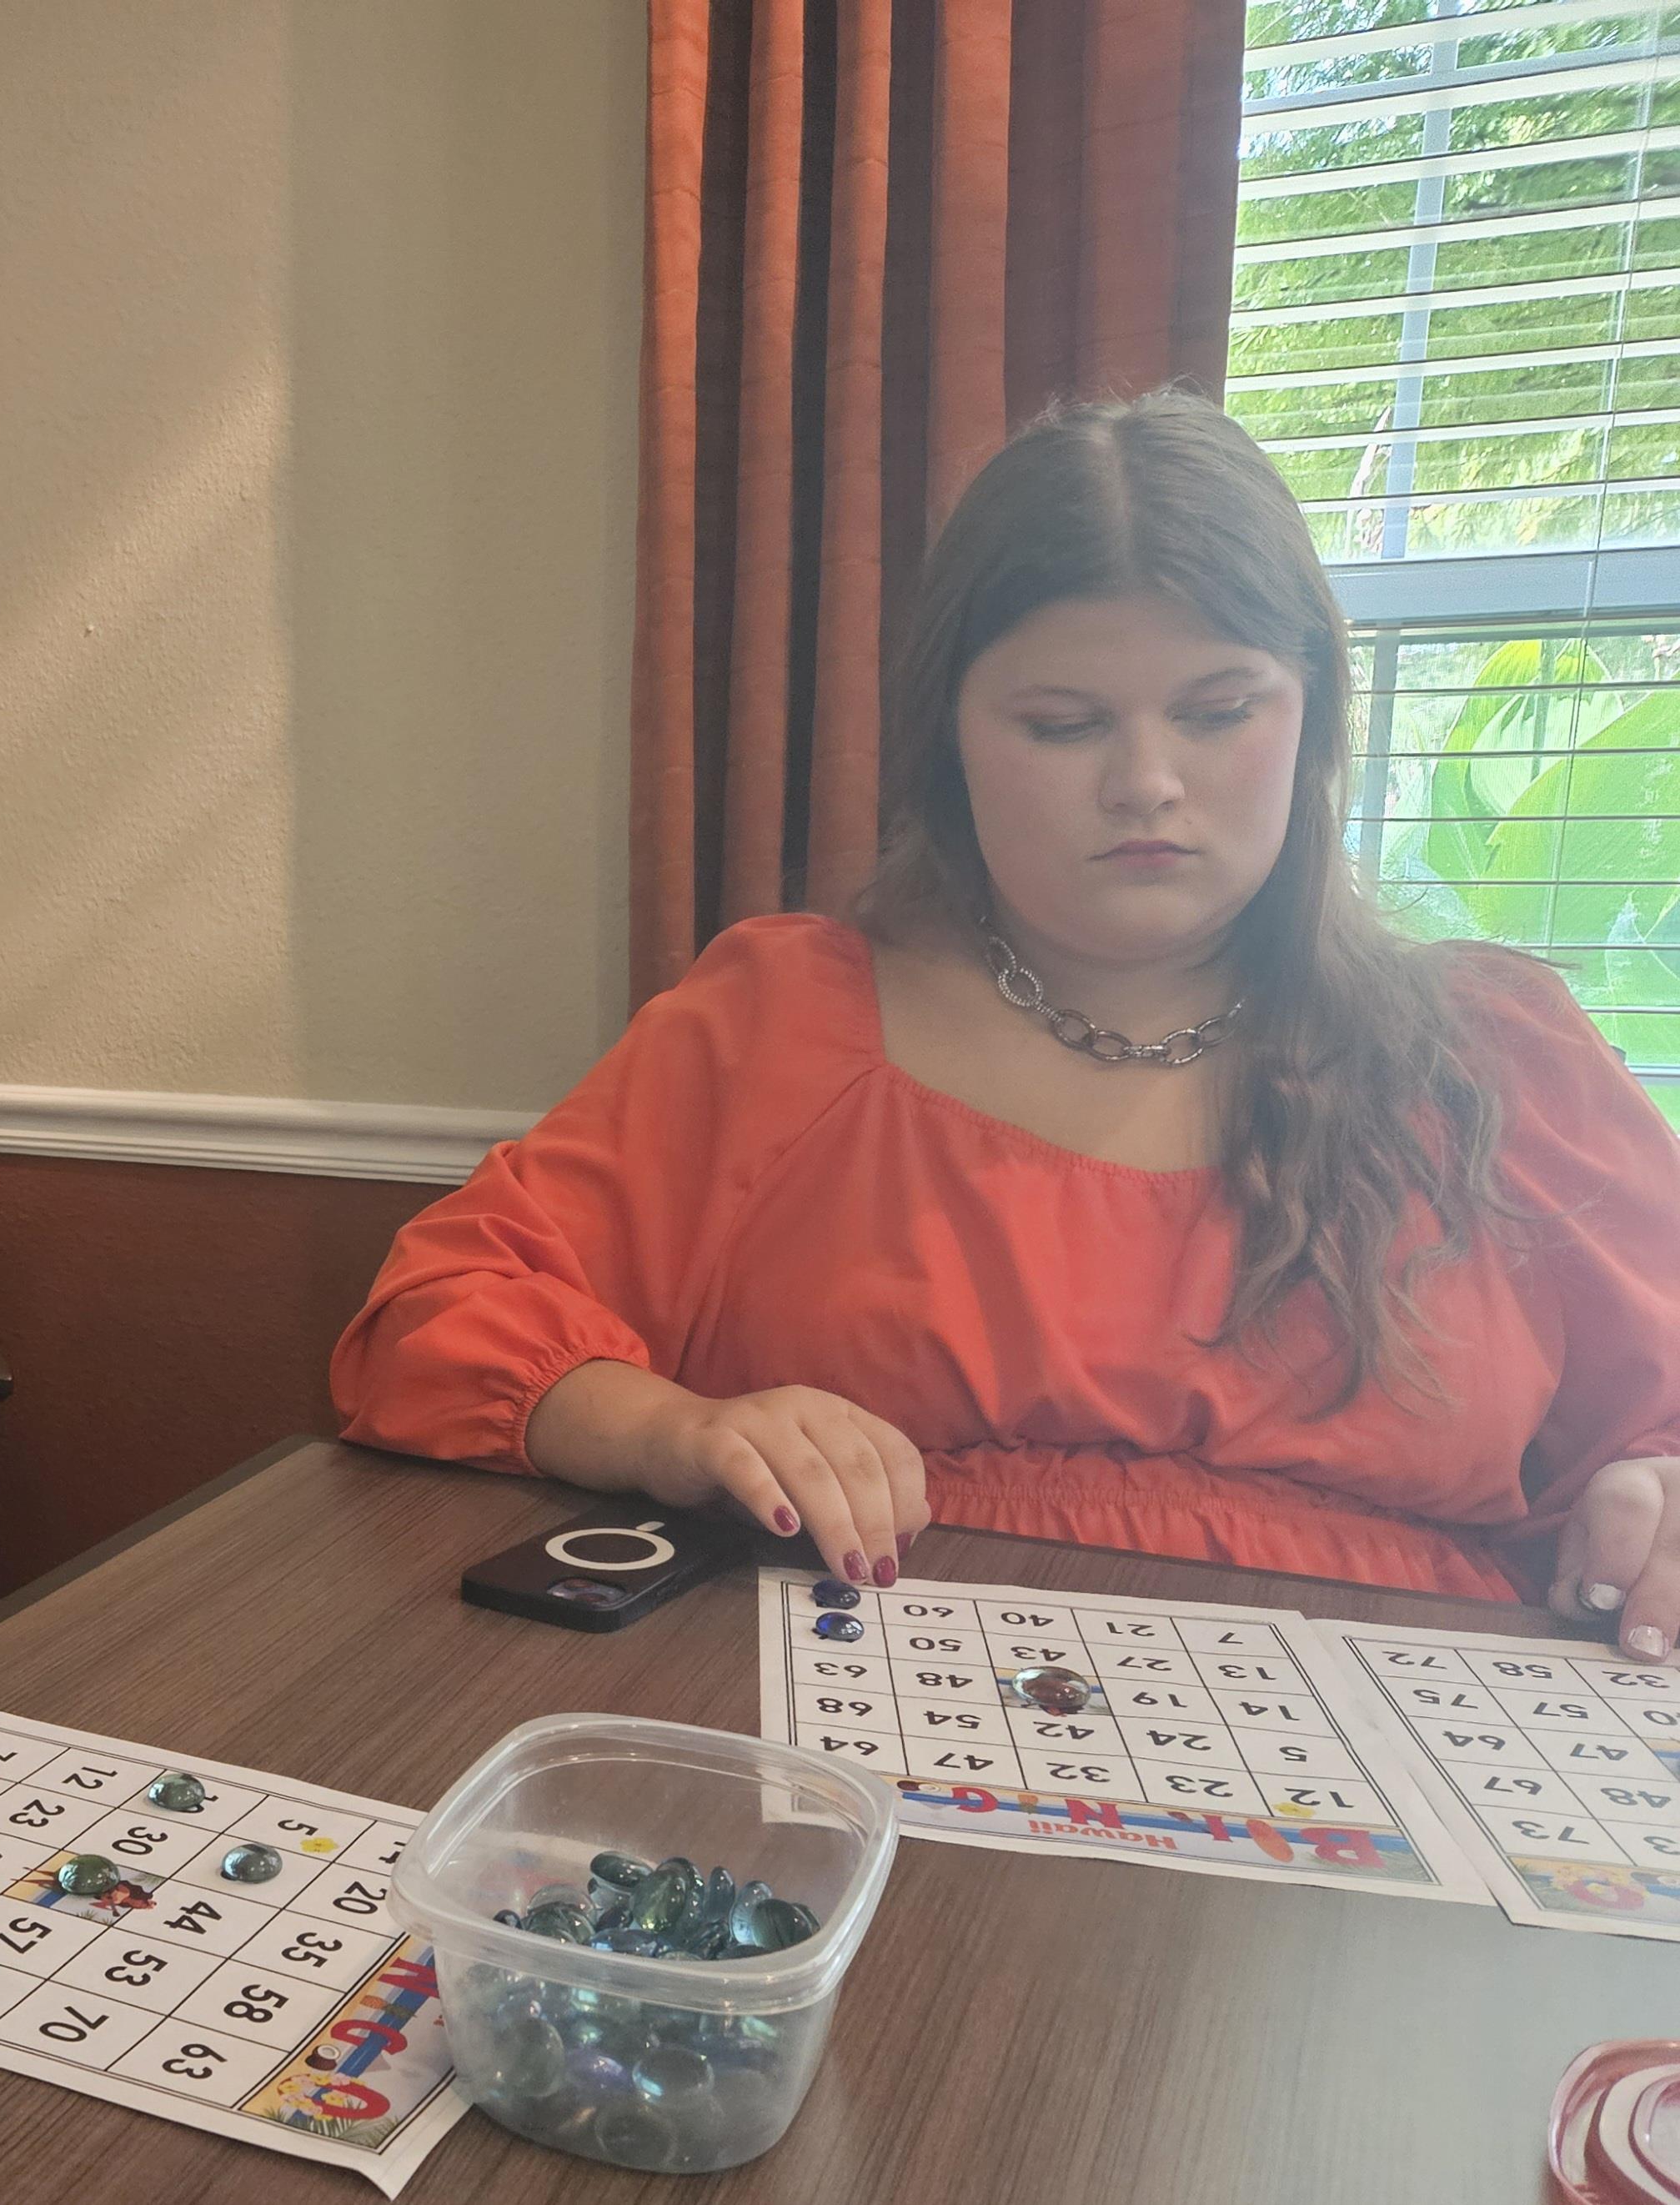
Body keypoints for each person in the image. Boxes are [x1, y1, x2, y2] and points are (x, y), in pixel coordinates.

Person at [334, 393, 1680, 1660]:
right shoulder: (781, 1021)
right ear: (951, 742)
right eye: (1061, 723)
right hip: (854, 1706)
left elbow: (1660, 1432)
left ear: (1314, 716)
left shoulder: (1503, 1053)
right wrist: (675, 1432)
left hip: (1409, 1764)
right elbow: (432, 1320)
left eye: (1220, 712)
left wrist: (1656, 1500)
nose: (1146, 783)